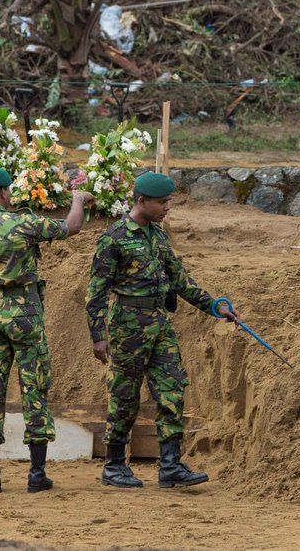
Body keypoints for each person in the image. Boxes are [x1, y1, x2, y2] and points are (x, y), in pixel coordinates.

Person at [86, 171, 236, 489]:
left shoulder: (158, 235)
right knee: (125, 397)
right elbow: (96, 292)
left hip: (160, 325)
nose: (167, 207)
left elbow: (179, 280)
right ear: (142, 201)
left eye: (168, 201)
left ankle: (170, 466)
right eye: (162, 202)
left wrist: (214, 306)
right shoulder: (114, 238)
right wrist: (98, 336)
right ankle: (114, 465)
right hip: (128, 327)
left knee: (172, 391)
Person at [0, 162, 93, 494]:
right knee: (34, 389)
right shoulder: (23, 224)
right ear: (3, 193)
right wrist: (77, 199)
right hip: (26, 316)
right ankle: (36, 474)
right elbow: (71, 227)